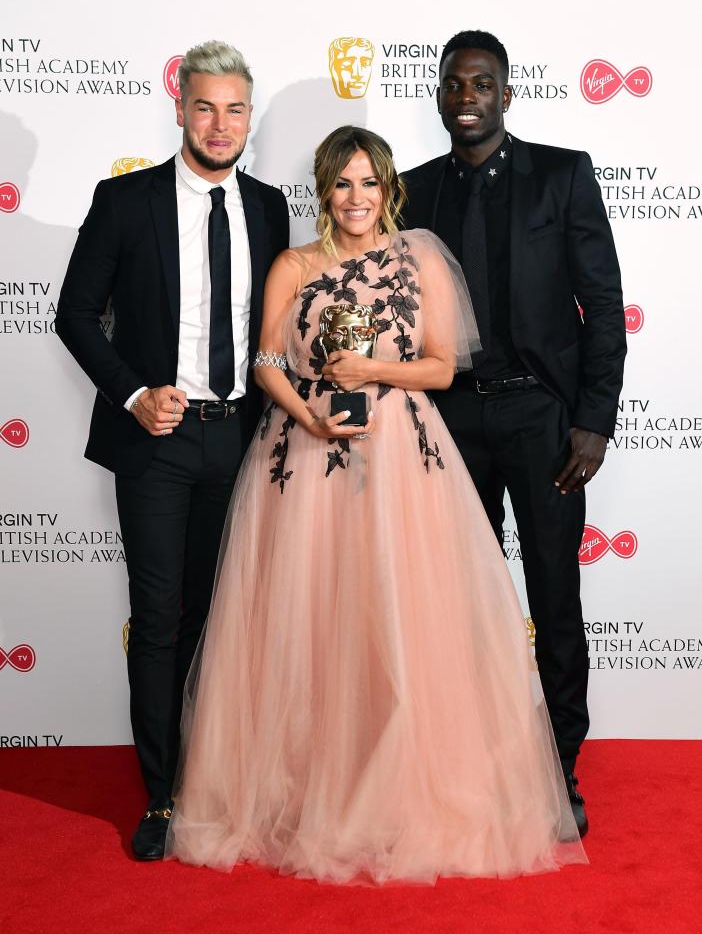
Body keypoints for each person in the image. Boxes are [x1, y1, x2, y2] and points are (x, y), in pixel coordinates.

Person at [165, 125, 587, 883]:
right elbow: (264, 361)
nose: (356, 199)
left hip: (401, 459)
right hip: (302, 456)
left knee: (401, 620)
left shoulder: (419, 255)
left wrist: (372, 366)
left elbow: (440, 367)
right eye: (342, 184)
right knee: (313, 622)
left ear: (387, 189)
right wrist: (306, 412)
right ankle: (307, 786)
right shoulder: (293, 265)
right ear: (323, 190)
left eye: (369, 183)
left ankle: (401, 790)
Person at [55, 40, 289, 860]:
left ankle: (216, 777)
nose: (219, 124)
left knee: (219, 620)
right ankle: (163, 797)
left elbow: (274, 335)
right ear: (179, 108)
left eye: (234, 110)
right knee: (157, 622)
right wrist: (134, 392)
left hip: (239, 439)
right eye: (205, 106)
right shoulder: (125, 201)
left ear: (247, 119)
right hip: (155, 441)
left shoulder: (268, 207)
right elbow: (75, 315)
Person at [401, 30, 627, 836]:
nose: (467, 98)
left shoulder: (562, 176)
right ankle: (466, 762)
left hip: (541, 418)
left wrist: (593, 421)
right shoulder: (412, 192)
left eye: (483, 84)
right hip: (449, 419)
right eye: (454, 84)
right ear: (437, 95)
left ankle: (558, 769)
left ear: (507, 93)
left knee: (555, 597)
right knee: (455, 602)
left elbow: (601, 307)